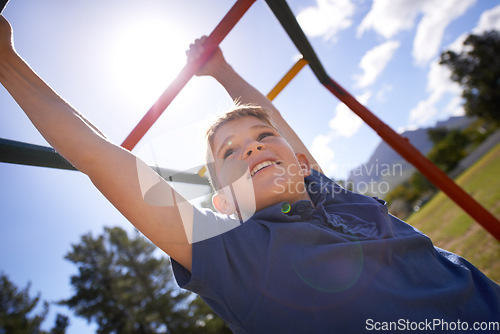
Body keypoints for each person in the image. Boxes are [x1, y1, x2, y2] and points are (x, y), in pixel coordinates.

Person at [0, 15, 499, 333]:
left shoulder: (326, 193)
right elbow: (98, 155)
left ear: (300, 160)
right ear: (222, 200)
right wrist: (7, 61)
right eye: (230, 152)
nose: (255, 146)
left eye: (263, 140)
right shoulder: (233, 252)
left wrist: (219, 70)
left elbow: (269, 117)